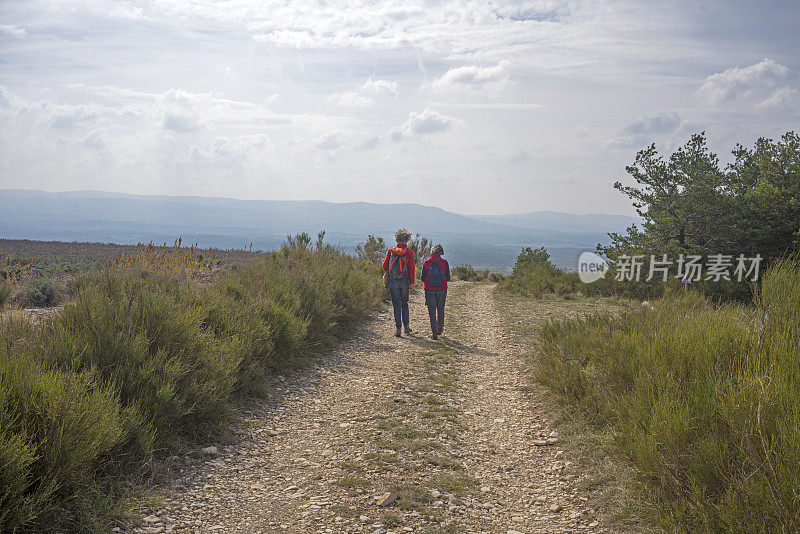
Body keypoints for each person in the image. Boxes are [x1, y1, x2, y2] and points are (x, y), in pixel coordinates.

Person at [382, 228, 415, 337]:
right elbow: (411, 269)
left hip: (393, 281)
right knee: (404, 304)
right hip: (404, 281)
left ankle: (398, 330)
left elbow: (385, 266)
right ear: (407, 240)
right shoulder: (409, 252)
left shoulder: (391, 251)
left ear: (396, 239)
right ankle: (406, 327)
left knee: (396, 305)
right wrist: (411, 283)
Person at [421, 243, 450, 339]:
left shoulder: (426, 262)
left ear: (432, 252)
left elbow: (422, 278)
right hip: (442, 289)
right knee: (440, 309)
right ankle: (440, 328)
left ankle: (433, 330)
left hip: (429, 290)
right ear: (441, 252)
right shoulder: (444, 262)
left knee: (431, 311)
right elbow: (448, 278)